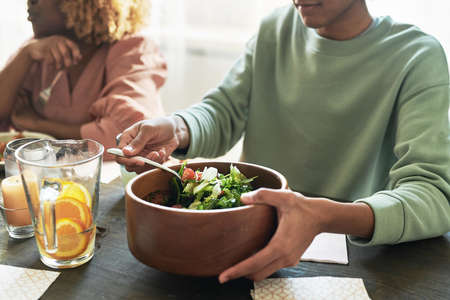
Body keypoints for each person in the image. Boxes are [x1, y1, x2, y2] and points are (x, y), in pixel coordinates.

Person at [116, 0, 450, 282]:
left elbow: (433, 195)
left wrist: (327, 216)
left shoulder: (416, 57)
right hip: (247, 241)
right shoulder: (276, 28)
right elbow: (224, 110)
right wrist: (177, 128)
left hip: (359, 262)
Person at [0, 0, 166, 160]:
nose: (30, 1)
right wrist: (25, 55)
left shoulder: (133, 50)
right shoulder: (36, 49)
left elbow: (131, 135)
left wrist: (37, 125)